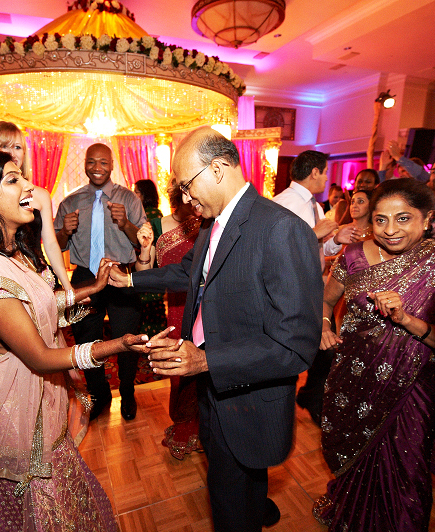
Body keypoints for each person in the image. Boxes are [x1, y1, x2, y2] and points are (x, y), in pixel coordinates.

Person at [110, 126, 324, 531]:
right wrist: (132, 281)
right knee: (233, 480)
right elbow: (189, 272)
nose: (186, 198)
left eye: (188, 186)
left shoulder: (281, 229)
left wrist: (207, 362)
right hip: (215, 388)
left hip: (246, 390)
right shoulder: (212, 225)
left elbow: (296, 346)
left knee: (231, 494)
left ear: (220, 168)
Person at [0, 146, 151, 531]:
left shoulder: (9, 254)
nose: (30, 186)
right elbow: (38, 356)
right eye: (13, 179)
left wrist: (92, 288)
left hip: (39, 405)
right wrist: (115, 346)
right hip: (18, 418)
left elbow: (40, 304)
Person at [313, 178, 435, 532]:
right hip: (352, 378)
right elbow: (327, 300)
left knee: (405, 471)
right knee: (355, 460)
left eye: (403, 219)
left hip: (411, 388)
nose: (390, 230)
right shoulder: (354, 255)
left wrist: (407, 319)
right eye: (380, 219)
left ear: (428, 219)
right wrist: (326, 326)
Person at [54, 143, 147, 421]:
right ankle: (99, 394)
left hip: (121, 275)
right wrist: (64, 231)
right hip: (85, 275)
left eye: (103, 163)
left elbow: (140, 241)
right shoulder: (70, 202)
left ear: (112, 165)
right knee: (86, 339)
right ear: (85, 164)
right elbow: (57, 245)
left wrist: (126, 224)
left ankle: (128, 393)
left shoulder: (129, 199)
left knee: (127, 339)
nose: (97, 168)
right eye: (92, 162)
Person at [274, 151, 356, 425]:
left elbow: (320, 248)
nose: (326, 178)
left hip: (313, 286)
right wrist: (315, 233)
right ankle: (287, 404)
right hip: (290, 291)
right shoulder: (282, 204)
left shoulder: (315, 205)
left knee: (322, 348)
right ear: (314, 173)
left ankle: (310, 395)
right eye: (325, 172)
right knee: (296, 349)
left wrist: (335, 240)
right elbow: (275, 252)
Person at [134, 178, 202, 460]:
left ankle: (204, 428)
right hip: (177, 309)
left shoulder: (208, 224)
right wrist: (146, 248)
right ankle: (186, 427)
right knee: (180, 370)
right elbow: (146, 270)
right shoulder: (160, 224)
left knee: (205, 368)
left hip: (207, 308)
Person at [0, 120, 73, 290]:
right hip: (0, 275)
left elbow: (50, 243)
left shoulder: (40, 195)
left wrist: (67, 286)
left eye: (17, 147)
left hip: (38, 275)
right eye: (4, 146)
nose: (12, 154)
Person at [133, 178, 168, 339]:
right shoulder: (153, 213)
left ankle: (151, 344)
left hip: (150, 267)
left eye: (137, 192)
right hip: (151, 267)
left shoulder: (150, 216)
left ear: (145, 194)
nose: (134, 195)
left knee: (149, 307)